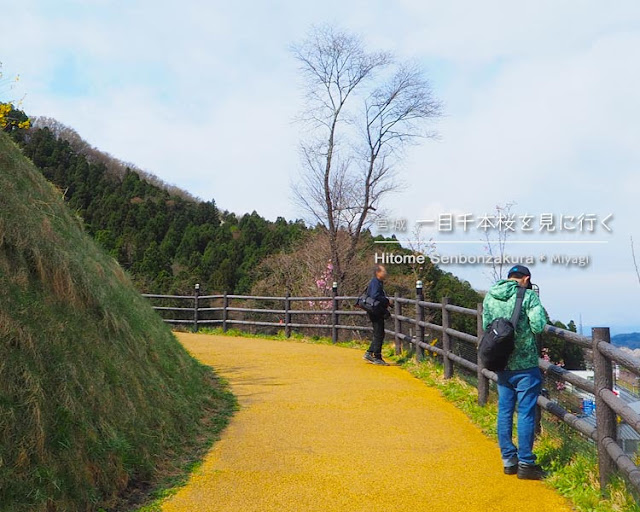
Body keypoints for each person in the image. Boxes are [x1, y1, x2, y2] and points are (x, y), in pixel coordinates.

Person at [482, 265, 548, 480]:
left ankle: (509, 461)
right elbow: (538, 326)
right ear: (526, 278)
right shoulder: (528, 296)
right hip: (525, 364)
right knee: (526, 413)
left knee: (505, 411)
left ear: (509, 277)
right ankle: (526, 463)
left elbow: (486, 325)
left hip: (501, 363)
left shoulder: (491, 295)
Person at [363, 264, 391, 366]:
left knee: (379, 333)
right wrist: (386, 300)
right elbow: (375, 295)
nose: (385, 273)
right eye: (384, 271)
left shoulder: (378, 282)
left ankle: (370, 353)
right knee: (379, 333)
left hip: (376, 310)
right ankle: (377, 356)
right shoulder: (375, 282)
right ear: (378, 273)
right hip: (375, 310)